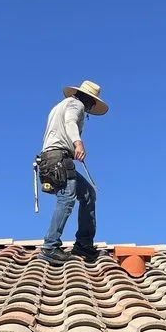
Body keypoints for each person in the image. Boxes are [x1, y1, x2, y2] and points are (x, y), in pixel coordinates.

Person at [37, 80, 108, 263]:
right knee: (67, 198)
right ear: (89, 100)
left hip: (52, 159)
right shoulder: (75, 105)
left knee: (87, 194)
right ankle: (50, 246)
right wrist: (77, 143)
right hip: (58, 160)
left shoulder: (60, 106)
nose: (91, 107)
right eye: (92, 103)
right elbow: (70, 122)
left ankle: (84, 244)